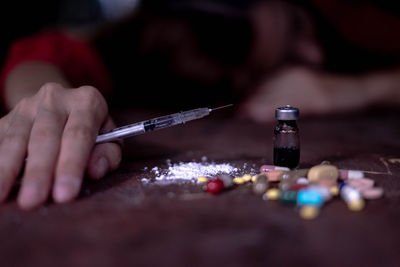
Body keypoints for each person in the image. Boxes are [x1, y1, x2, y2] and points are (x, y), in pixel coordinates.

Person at [0, 0, 399, 209]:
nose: (313, 55)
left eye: (299, 22)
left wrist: (360, 87)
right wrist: (48, 101)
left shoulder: (362, 27)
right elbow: (38, 58)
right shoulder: (152, 53)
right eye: (253, 67)